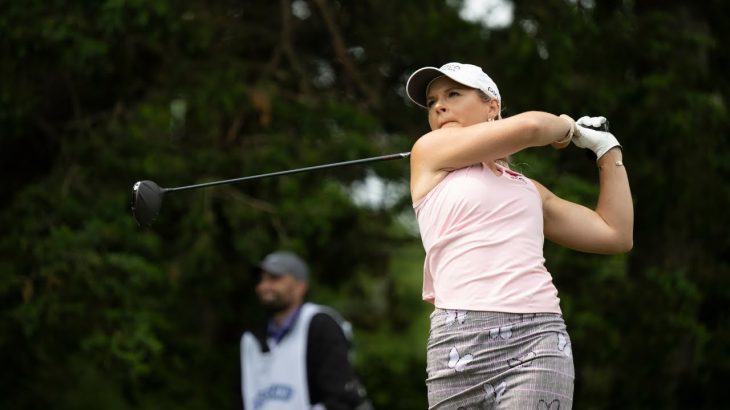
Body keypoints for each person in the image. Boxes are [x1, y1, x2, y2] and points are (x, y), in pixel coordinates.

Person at [405, 62, 633, 409]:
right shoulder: (429, 153)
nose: (439, 105)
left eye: (453, 93)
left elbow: (614, 234)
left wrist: (607, 150)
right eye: (432, 101)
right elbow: (530, 126)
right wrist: (569, 128)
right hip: (457, 340)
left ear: (491, 106)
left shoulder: (529, 191)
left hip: (536, 338)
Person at [239, 250, 371, 410]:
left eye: (275, 279)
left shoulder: (319, 326)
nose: (264, 286)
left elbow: (339, 398)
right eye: (262, 280)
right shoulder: (252, 339)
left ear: (300, 286)